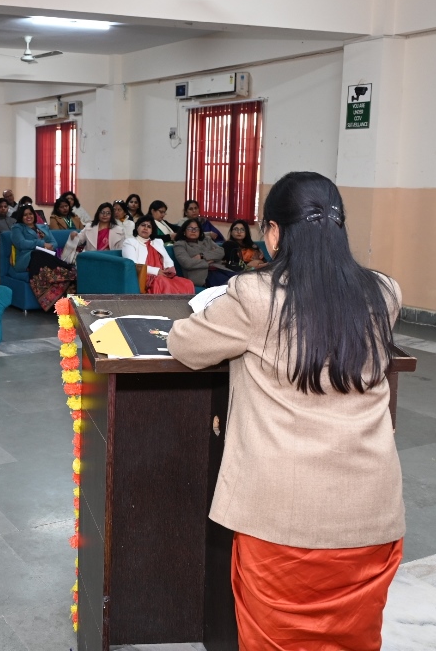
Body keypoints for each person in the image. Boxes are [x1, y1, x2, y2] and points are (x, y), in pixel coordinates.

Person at [167, 172, 403, 651]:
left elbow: (185, 346)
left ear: (273, 232)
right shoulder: (384, 292)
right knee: (353, 640)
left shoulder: (255, 295)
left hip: (282, 522)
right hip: (370, 514)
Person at [11, 205, 73, 311]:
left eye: (30, 214)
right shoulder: (17, 228)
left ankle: (66, 272)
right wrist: (41, 244)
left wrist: (48, 246)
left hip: (45, 255)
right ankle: (66, 268)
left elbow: (54, 243)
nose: (28, 216)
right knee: (37, 253)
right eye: (25, 215)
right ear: (21, 217)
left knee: (42, 254)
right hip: (27, 257)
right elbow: (21, 243)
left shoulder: (43, 227)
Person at [123, 215, 194, 294]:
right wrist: (157, 271)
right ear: (137, 227)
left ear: (152, 231)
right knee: (162, 281)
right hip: (145, 275)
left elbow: (167, 259)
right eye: (143, 225)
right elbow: (134, 264)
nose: (145, 228)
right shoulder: (130, 242)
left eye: (149, 227)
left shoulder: (157, 242)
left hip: (162, 274)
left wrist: (169, 269)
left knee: (187, 283)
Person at [173, 217, 229, 288]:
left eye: (196, 229)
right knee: (231, 286)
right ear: (184, 231)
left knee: (238, 279)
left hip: (219, 269)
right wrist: (209, 260)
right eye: (190, 228)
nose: (193, 231)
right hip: (201, 276)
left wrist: (202, 256)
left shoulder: (206, 240)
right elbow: (187, 263)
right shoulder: (180, 245)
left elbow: (221, 252)